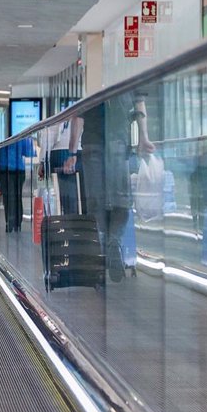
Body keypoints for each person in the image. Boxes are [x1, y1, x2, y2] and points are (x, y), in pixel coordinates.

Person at [63, 93, 155, 282]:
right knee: (121, 200)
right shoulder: (128, 76)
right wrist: (144, 138)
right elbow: (139, 106)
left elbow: (78, 117)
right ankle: (114, 241)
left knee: (96, 202)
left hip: (91, 145)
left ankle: (104, 245)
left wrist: (72, 151)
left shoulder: (90, 82)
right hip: (118, 144)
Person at [38, 119, 82, 214]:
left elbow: (47, 139)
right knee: (79, 197)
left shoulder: (54, 118)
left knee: (65, 197)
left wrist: (42, 162)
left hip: (59, 153)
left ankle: (68, 220)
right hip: (80, 152)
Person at [0, 138, 34, 232]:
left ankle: (10, 222)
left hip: (4, 169)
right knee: (17, 196)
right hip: (19, 169)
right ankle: (17, 223)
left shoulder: (1, 134)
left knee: (8, 197)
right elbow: (28, 151)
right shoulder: (20, 135)